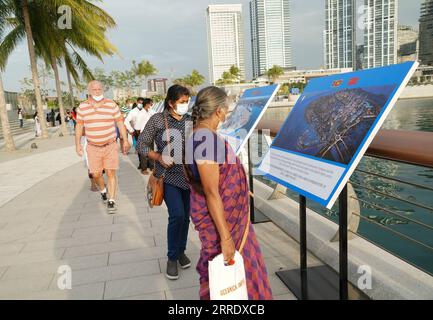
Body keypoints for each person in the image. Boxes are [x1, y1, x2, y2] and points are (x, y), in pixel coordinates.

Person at [184, 86, 273, 300]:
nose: (228, 113)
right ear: (218, 111)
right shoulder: (206, 140)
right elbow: (211, 191)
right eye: (227, 108)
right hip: (222, 223)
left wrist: (241, 190)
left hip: (226, 213)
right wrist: (225, 237)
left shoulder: (199, 134)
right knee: (235, 276)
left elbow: (221, 176)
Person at [137, 85, 192, 280]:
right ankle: (171, 258)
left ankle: (181, 251)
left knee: (186, 217)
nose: (186, 105)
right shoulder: (157, 120)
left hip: (188, 176)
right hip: (167, 176)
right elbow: (142, 145)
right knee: (176, 215)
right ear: (171, 102)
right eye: (182, 102)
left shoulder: (190, 120)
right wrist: (158, 157)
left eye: (187, 102)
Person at [74, 80, 131, 214]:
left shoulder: (111, 105)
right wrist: (77, 144)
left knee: (111, 172)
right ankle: (103, 190)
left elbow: (120, 123)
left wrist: (125, 140)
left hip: (110, 145)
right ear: (89, 91)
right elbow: (79, 126)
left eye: (100, 89)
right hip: (92, 147)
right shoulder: (82, 107)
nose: (97, 92)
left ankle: (111, 201)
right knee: (96, 174)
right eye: (94, 90)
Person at [125, 97, 155, 174]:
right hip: (142, 134)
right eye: (150, 104)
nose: (151, 105)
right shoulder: (138, 113)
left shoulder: (149, 112)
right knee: (143, 152)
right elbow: (137, 127)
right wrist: (137, 134)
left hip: (150, 134)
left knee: (151, 150)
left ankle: (151, 166)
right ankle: (144, 168)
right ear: (147, 104)